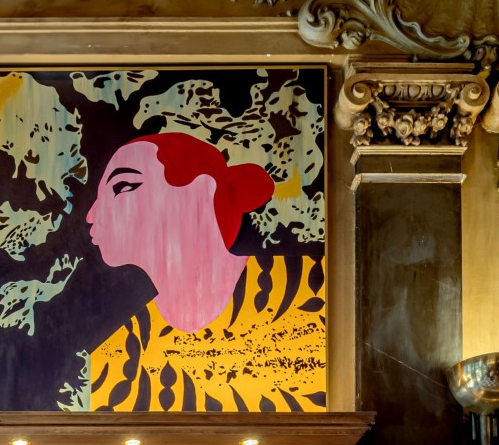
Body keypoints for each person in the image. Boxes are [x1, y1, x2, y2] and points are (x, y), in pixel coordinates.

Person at [85, 133, 326, 413]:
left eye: (122, 186)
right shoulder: (121, 349)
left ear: (201, 191)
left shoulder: (307, 292)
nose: (91, 215)